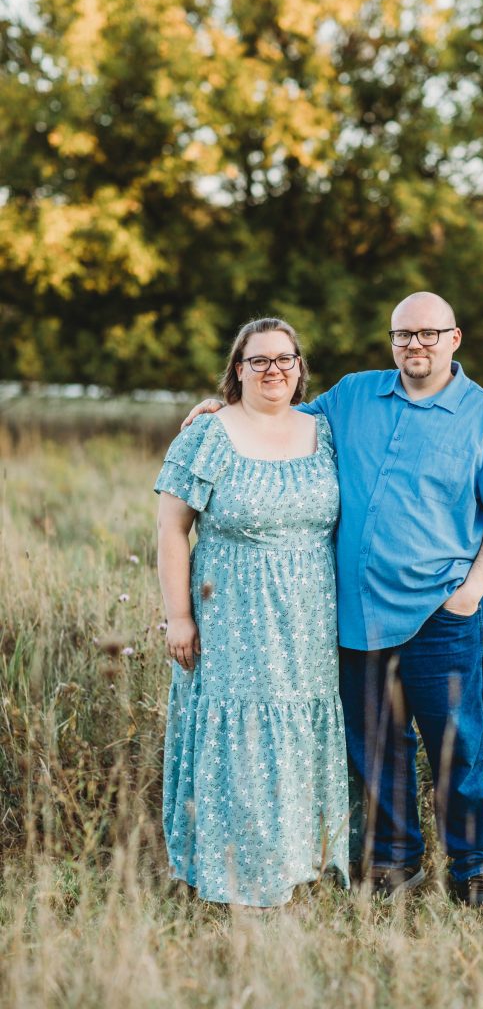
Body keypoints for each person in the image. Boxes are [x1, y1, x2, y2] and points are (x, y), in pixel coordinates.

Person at [183, 292, 483, 912]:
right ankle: (396, 862)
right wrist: (222, 408)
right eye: (403, 335)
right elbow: (280, 417)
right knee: (376, 748)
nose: (415, 346)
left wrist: (469, 595)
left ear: (455, 338)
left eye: (429, 334)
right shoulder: (352, 396)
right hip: (356, 615)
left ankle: (477, 867)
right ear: (391, 340)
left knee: (459, 747)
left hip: (440, 615)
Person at [155, 317, 349, 907]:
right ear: (237, 370)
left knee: (298, 728)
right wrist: (180, 616)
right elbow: (170, 529)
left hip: (310, 619)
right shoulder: (208, 434)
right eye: (258, 361)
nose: (273, 371)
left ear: (300, 369)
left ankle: (298, 860)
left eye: (284, 360)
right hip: (231, 617)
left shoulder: (324, 429)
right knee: (238, 732)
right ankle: (231, 870)